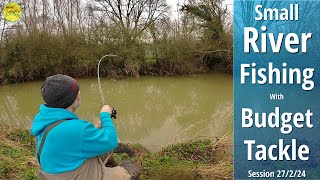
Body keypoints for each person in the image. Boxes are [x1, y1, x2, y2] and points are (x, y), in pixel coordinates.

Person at [30, 74, 130, 180]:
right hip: (73, 176)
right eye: (77, 91)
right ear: (73, 99)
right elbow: (111, 140)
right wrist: (105, 115)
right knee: (122, 174)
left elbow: (66, 138)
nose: (79, 93)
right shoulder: (77, 128)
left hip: (53, 173)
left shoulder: (42, 118)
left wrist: (95, 128)